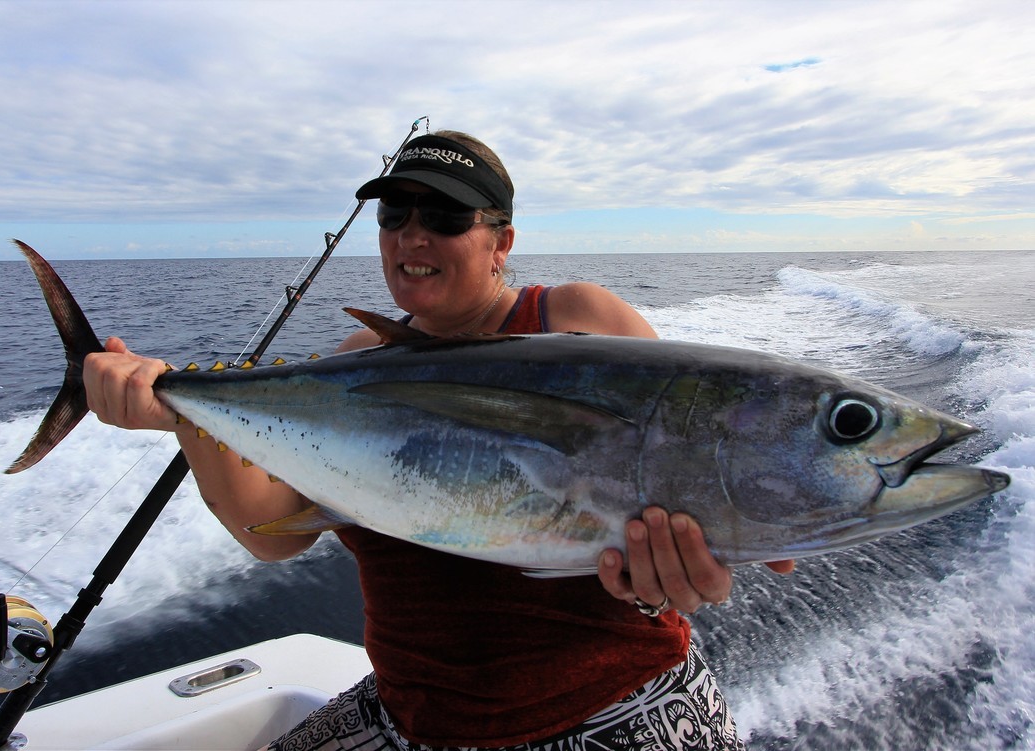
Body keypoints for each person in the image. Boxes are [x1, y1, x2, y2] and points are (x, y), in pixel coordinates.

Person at [84, 130, 793, 750]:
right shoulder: (357, 357)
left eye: (446, 215)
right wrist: (184, 412)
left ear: (501, 241)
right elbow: (272, 533)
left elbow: (681, 471)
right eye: (396, 214)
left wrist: (667, 579)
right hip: (418, 720)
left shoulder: (576, 317)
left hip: (613, 711)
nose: (411, 234)